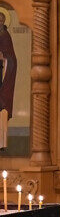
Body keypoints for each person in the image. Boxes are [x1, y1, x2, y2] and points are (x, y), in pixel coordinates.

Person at [0, 16, 16, 150]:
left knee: (2, 110)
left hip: (2, 78)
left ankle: (1, 144)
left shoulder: (5, 36)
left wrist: (3, 57)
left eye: (1, 20)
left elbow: (11, 59)